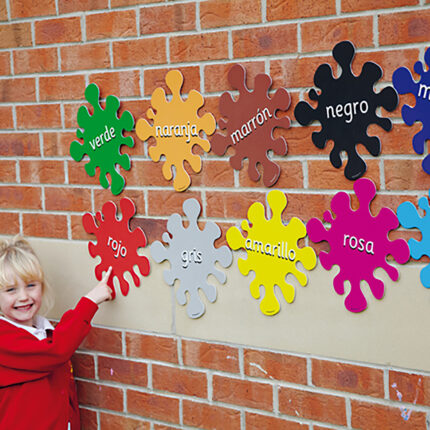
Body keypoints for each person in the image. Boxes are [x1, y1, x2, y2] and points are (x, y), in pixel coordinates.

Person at [0, 236, 113, 430]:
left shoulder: (46, 333)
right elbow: (55, 351)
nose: (23, 296)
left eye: (31, 285)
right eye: (11, 290)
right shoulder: (4, 339)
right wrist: (90, 301)